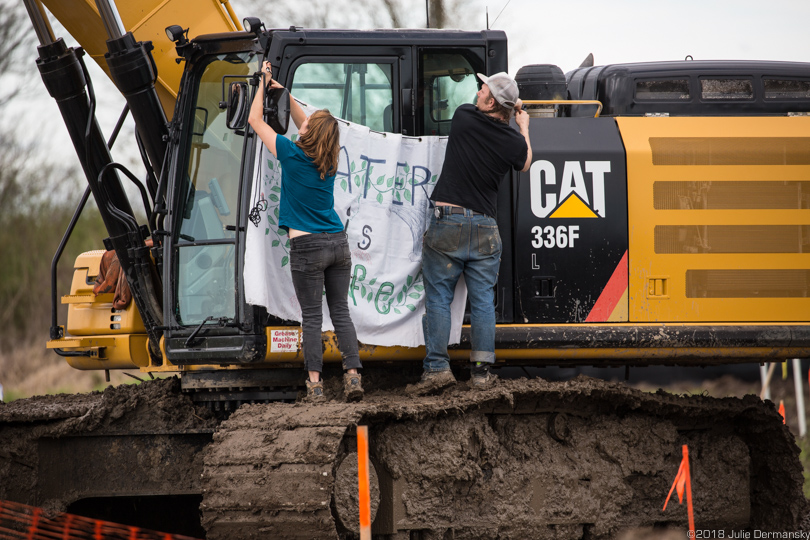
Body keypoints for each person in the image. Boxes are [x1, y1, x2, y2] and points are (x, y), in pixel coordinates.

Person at [407, 72, 532, 395]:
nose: (477, 92)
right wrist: (524, 127)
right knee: (483, 302)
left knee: (438, 299)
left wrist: (510, 104)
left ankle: (437, 369)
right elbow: (526, 162)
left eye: (483, 89)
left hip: (448, 223)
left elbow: (481, 107)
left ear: (490, 102)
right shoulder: (513, 142)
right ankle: (480, 374)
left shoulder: (464, 117)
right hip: (485, 229)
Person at [249, 61, 363, 403]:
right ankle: (353, 377)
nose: (304, 122)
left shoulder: (291, 153)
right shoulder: (330, 157)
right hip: (338, 243)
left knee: (312, 317)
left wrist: (260, 85)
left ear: (310, 133)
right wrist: (280, 90)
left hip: (308, 248)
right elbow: (306, 122)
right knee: (340, 312)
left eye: (309, 123)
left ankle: (315, 384)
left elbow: (255, 120)